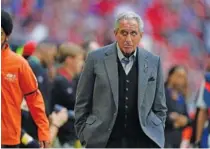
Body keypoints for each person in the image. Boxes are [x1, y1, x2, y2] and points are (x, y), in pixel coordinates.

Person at [74, 11, 167, 148]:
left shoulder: (154, 61)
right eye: (124, 33)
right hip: (104, 141)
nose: (128, 39)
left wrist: (156, 131)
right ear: (115, 33)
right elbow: (82, 102)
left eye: (133, 33)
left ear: (140, 35)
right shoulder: (95, 58)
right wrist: (85, 135)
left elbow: (160, 107)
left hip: (143, 142)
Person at [1, 10, 50, 148]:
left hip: (8, 140)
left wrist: (43, 131)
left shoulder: (19, 64)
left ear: (7, 36)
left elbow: (34, 98)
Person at [51, 43, 85, 147]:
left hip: (74, 137)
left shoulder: (74, 80)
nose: (82, 63)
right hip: (62, 139)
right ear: (69, 60)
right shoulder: (59, 81)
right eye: (80, 59)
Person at [164, 65, 192, 148]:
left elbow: (188, 118)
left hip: (176, 141)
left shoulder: (181, 98)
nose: (182, 80)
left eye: (184, 77)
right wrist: (171, 119)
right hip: (163, 139)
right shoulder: (162, 93)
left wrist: (185, 120)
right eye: (179, 76)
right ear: (170, 76)